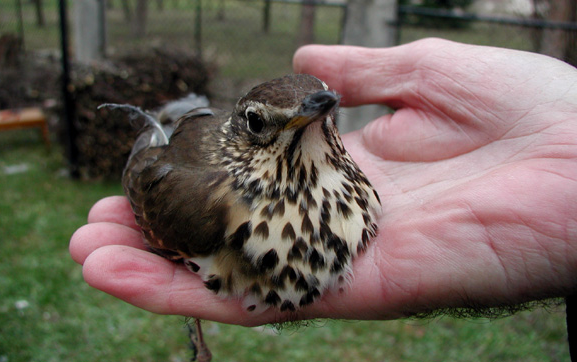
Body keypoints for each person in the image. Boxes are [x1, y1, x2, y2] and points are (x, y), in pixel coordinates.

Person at [69, 38, 577, 326]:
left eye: (317, 118)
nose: (306, 122)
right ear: (240, 130)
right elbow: (150, 166)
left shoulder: (348, 181)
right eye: (258, 123)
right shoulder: (199, 205)